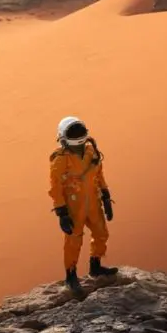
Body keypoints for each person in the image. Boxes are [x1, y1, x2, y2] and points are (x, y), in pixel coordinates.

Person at [49, 116, 118, 298]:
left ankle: (95, 266)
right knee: (74, 241)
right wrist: (61, 211)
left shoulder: (91, 152)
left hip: (93, 203)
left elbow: (99, 175)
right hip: (74, 207)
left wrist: (106, 196)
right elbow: (55, 188)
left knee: (101, 233)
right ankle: (70, 275)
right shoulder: (61, 160)